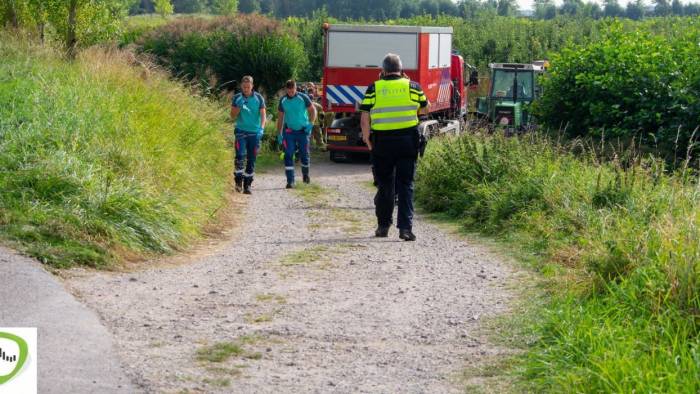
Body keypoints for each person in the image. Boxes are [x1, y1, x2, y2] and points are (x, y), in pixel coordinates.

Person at [360, 53, 428, 241]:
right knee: (406, 185)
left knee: (385, 185)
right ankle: (405, 229)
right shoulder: (413, 86)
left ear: (382, 71)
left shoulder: (374, 87)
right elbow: (425, 106)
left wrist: (367, 139)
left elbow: (365, 116)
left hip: (382, 143)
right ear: (401, 70)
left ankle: (383, 227)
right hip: (407, 141)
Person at [276, 80, 317, 188]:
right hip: (289, 131)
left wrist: (311, 124)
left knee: (304, 154)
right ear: (286, 89)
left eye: (292, 90)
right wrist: (279, 133)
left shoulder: (303, 98)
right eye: (289, 91)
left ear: (295, 88)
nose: (291, 92)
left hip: (303, 131)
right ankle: (290, 181)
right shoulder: (283, 100)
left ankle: (305, 175)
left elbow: (313, 111)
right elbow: (280, 118)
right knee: (288, 154)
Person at [230, 75, 266, 194]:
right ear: (241, 86)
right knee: (240, 157)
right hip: (241, 131)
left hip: (254, 133)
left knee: (251, 159)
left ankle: (247, 185)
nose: (246, 89)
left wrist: (261, 128)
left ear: (252, 86)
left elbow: (263, 115)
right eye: (244, 87)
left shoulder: (259, 98)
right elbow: (232, 115)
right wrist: (238, 106)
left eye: (248, 87)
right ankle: (238, 183)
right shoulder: (237, 98)